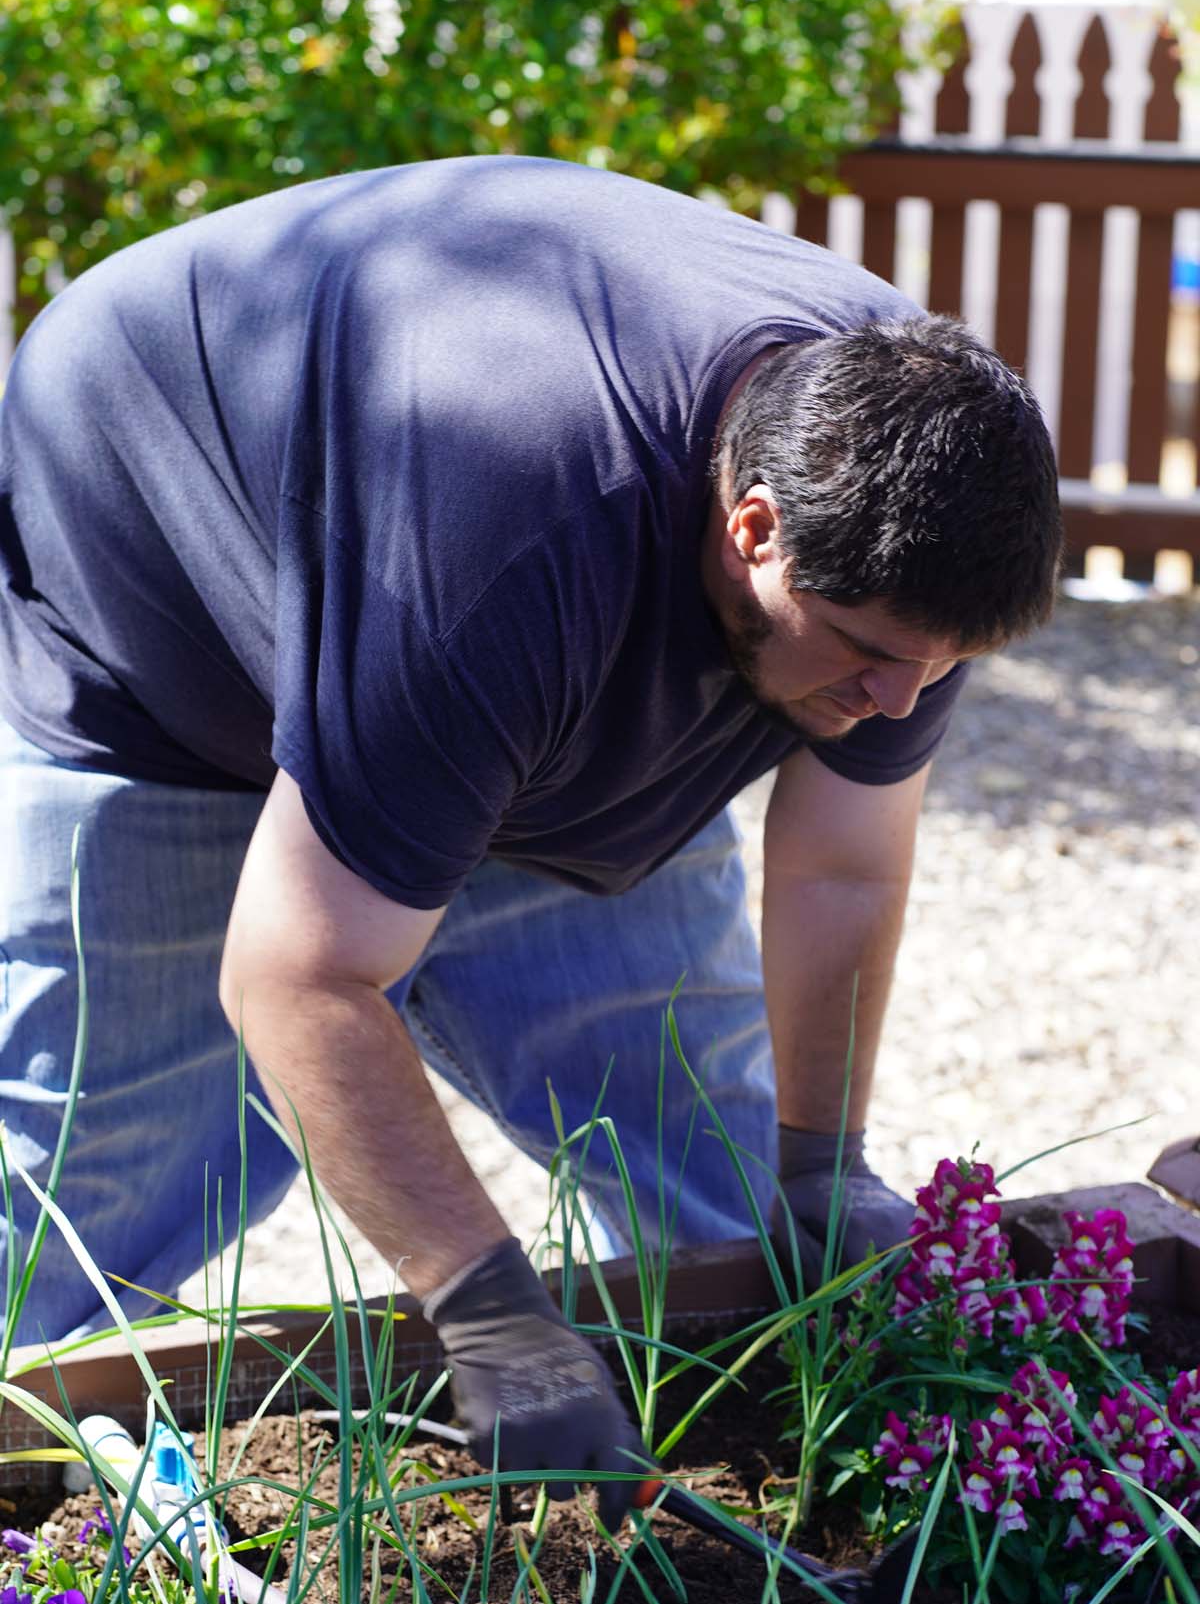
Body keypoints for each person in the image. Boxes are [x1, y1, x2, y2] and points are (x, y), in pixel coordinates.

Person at [0, 155, 1060, 1527]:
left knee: (729, 1210)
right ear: (754, 530)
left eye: (941, 667)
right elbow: (298, 974)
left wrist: (824, 1156)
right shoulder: (505, 555)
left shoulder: (910, 506)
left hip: (488, 660)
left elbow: (843, 858)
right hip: (164, 633)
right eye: (869, 659)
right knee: (90, 1217)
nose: (899, 707)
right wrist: (486, 1306)